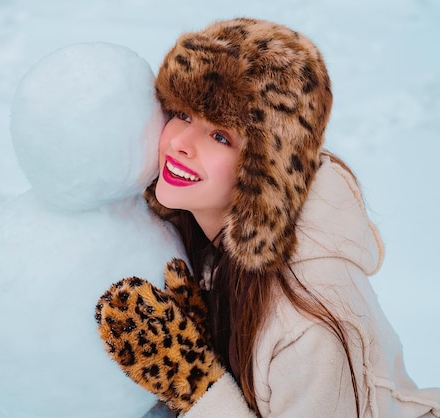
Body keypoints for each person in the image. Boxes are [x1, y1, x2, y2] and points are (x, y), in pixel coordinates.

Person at [96, 17, 440, 417]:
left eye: (221, 136)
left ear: (264, 175)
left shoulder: (308, 327)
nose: (181, 144)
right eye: (184, 115)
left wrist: (195, 384)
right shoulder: (195, 233)